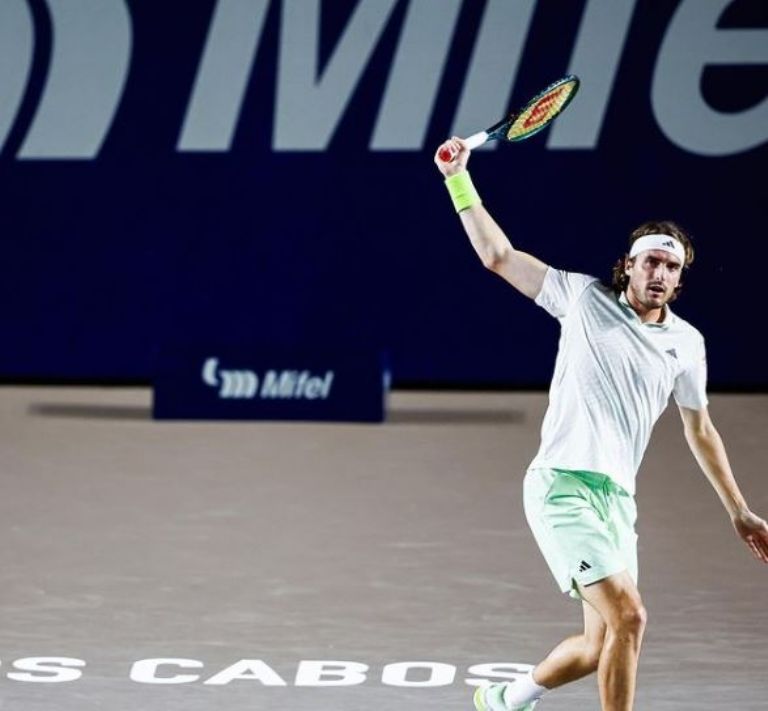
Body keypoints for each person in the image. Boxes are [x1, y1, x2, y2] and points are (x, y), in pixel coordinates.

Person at [433, 137, 768, 711]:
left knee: (600, 645)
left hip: (617, 502)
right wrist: (457, 179)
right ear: (629, 266)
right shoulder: (582, 298)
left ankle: (505, 698)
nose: (659, 273)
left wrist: (738, 510)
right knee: (631, 617)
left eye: (671, 266)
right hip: (561, 487)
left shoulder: (688, 344)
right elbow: (498, 256)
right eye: (651, 262)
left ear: (680, 278)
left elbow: (700, 428)